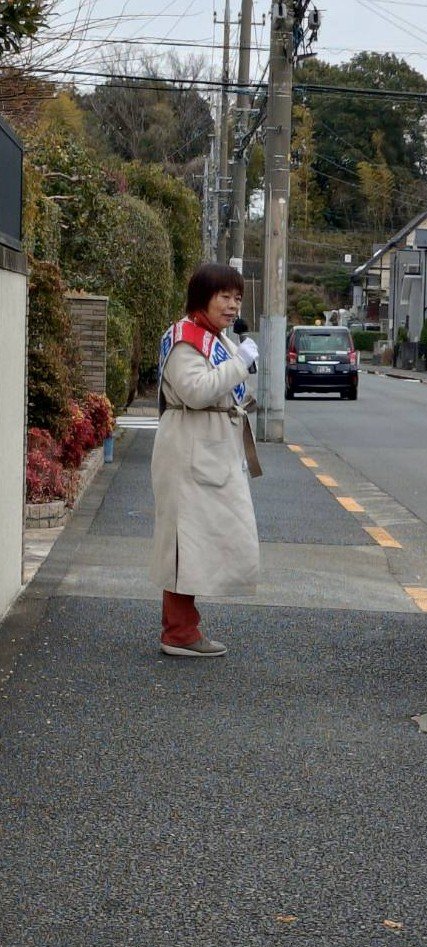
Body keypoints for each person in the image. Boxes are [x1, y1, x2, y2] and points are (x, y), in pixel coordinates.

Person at [149, 263, 262, 657]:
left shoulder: (212, 337)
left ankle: (183, 627)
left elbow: (221, 387)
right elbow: (196, 391)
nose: (232, 306)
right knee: (184, 541)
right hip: (189, 446)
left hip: (206, 445)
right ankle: (179, 631)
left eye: (237, 298)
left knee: (197, 539)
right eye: (225, 297)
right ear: (203, 297)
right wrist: (239, 364)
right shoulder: (185, 339)